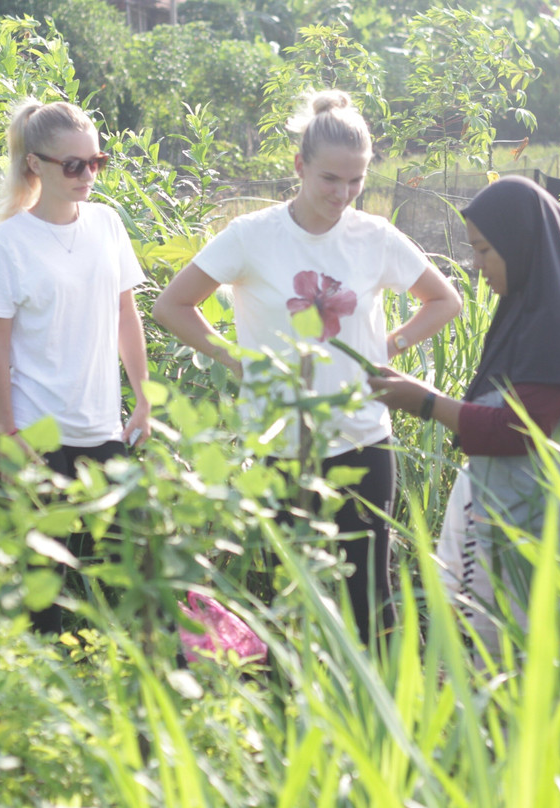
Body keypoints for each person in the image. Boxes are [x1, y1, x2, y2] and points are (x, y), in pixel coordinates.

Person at [152, 90, 461, 644]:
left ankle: (376, 715)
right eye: (329, 179)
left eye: (356, 180)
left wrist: (391, 345)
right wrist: (231, 357)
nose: (343, 194)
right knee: (288, 594)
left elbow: (445, 300)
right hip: (278, 441)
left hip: (363, 438)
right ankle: (292, 709)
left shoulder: (375, 237)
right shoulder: (251, 236)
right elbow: (172, 304)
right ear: (298, 167)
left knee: (372, 595)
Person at [368, 175, 560, 657]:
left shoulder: (559, 326)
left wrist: (424, 401)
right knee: (507, 662)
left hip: (548, 536)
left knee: (543, 662)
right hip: (516, 521)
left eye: (485, 251)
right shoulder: (529, 314)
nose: (476, 265)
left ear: (522, 245)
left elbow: (517, 430)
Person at [0, 98, 151, 633]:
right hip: (37, 431)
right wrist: (8, 430)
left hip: (105, 426)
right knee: (40, 590)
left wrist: (144, 398)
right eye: (72, 165)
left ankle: (130, 689)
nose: (87, 175)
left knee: (132, 573)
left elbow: (127, 315)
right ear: (35, 164)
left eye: (95, 161)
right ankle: (34, 696)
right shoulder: (8, 242)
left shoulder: (107, 223)